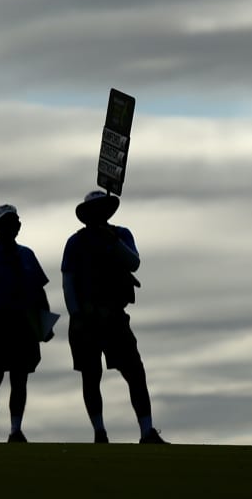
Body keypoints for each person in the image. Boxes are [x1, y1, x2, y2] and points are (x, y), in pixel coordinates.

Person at [61, 190, 168, 444]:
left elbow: (134, 263)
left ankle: (146, 431)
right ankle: (99, 432)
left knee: (135, 372)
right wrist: (76, 315)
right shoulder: (75, 242)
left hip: (114, 316)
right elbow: (68, 282)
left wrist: (113, 241)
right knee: (91, 375)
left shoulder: (121, 234)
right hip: (86, 318)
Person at [0, 204, 51, 443]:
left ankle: (16, 430)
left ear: (18, 226)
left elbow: (39, 292)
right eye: (5, 224)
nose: (10, 227)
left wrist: (44, 325)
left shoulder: (27, 254)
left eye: (13, 223)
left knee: (20, 378)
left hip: (23, 325)